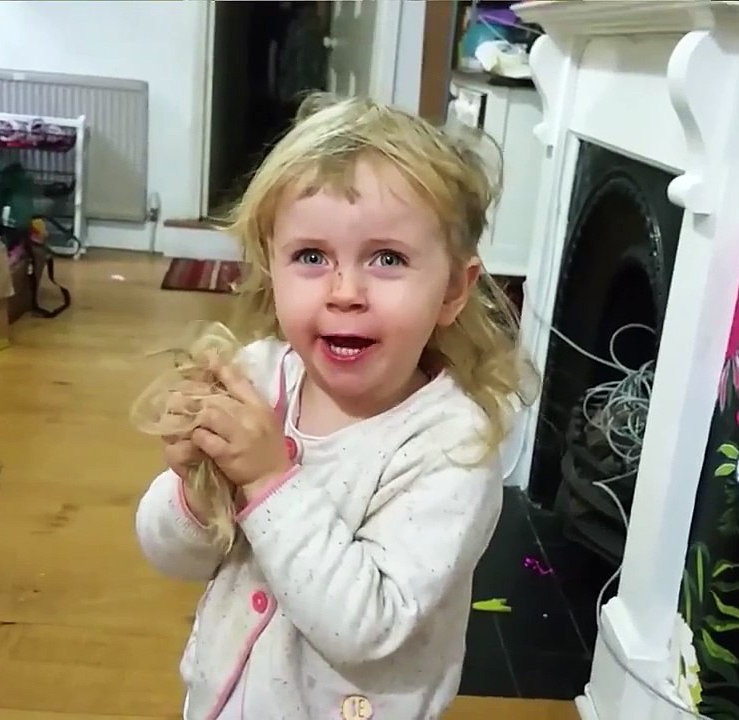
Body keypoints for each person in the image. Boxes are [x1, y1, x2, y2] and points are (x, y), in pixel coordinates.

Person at [135, 93, 531, 720]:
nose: (346, 291)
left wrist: (267, 479)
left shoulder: (453, 445)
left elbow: (365, 625)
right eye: (312, 257)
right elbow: (172, 555)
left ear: (453, 289)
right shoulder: (259, 378)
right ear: (273, 268)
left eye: (388, 259)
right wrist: (191, 486)